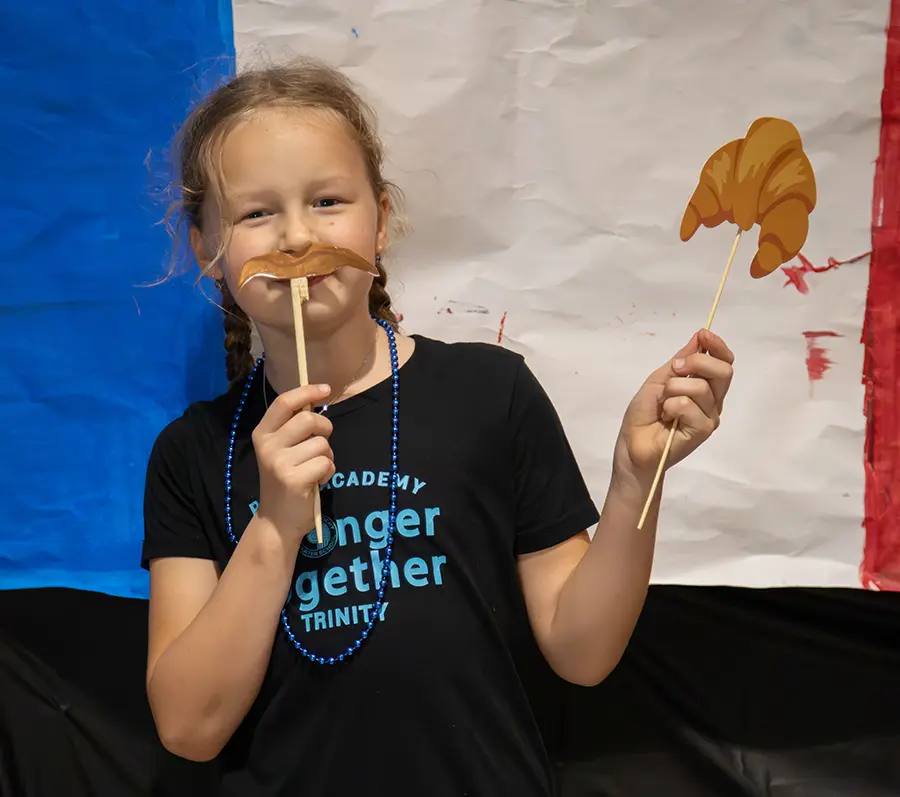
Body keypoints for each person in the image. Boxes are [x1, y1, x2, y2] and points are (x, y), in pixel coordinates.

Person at [141, 56, 735, 796]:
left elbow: (582, 653)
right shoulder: (193, 452)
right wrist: (273, 529)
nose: (296, 235)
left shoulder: (489, 394)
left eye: (327, 201)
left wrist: (635, 480)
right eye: (256, 213)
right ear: (207, 248)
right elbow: (188, 727)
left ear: (381, 220)